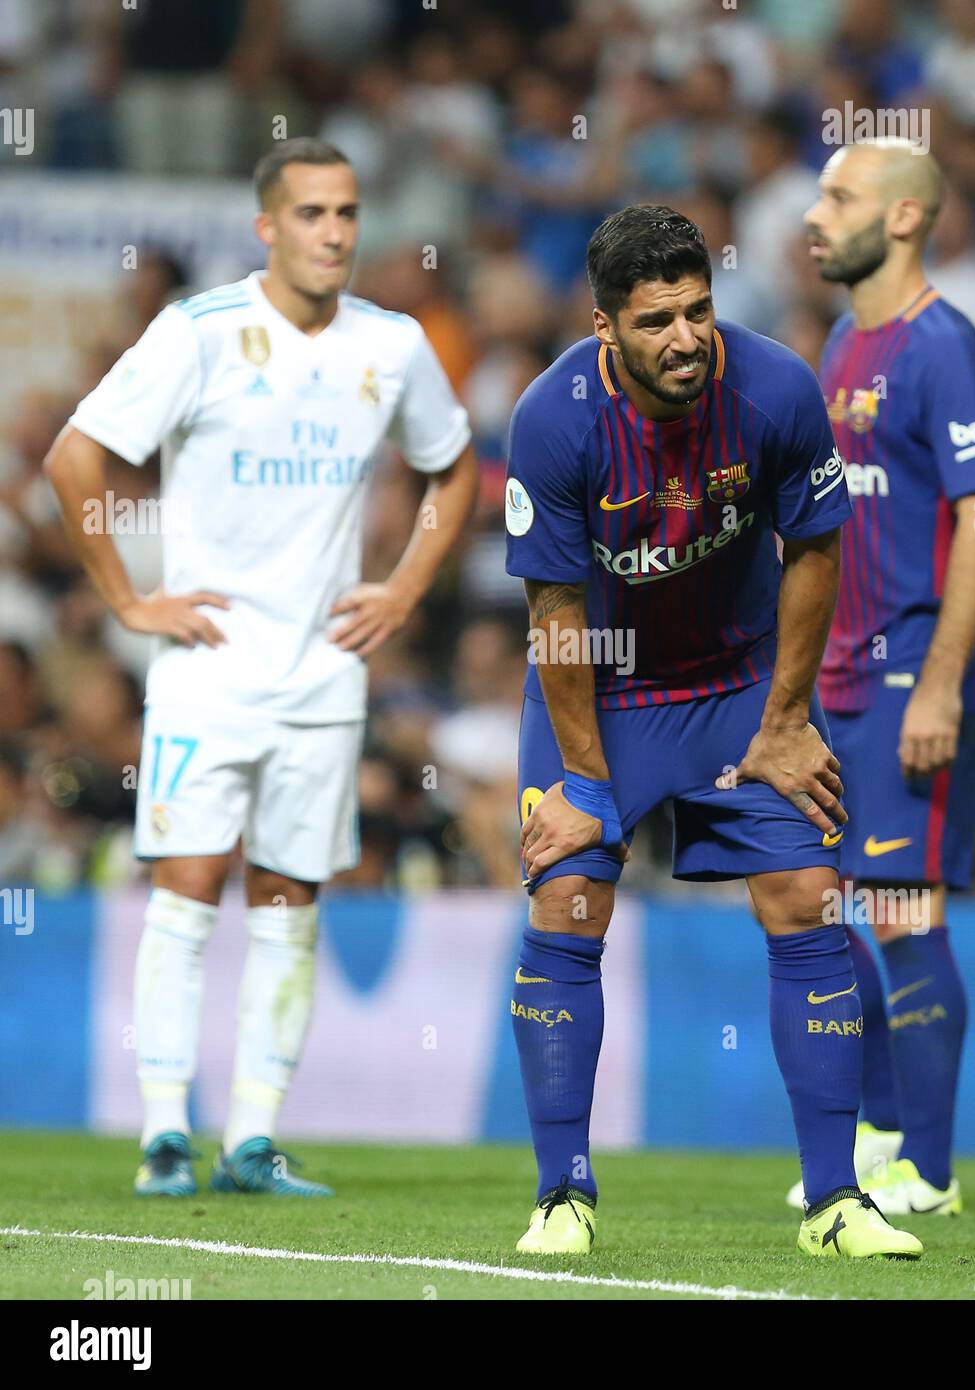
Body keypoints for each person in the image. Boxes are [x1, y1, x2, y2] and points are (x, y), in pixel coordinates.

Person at [44, 138, 477, 1197]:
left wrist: (407, 587)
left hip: (325, 676)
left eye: (347, 213)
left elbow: (455, 466)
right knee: (187, 886)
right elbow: (73, 454)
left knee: (289, 901)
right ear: (266, 227)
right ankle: (161, 1131)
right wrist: (128, 600)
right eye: (313, 213)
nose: (335, 232)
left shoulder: (393, 344)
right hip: (207, 667)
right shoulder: (200, 332)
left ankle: (250, 1138)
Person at [505, 204, 923, 1260]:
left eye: (697, 311)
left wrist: (785, 719)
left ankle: (836, 1203)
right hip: (601, 689)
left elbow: (817, 552)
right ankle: (564, 1194)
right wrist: (585, 784)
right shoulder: (551, 422)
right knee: (566, 900)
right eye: (655, 322)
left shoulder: (776, 388)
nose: (686, 338)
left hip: (743, 681)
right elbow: (554, 614)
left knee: (805, 896)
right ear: (606, 328)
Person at [794, 138, 975, 1217]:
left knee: (901, 910)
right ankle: (880, 1127)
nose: (815, 212)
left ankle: (929, 1168)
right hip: (835, 679)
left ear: (909, 218)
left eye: (840, 195)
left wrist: (936, 682)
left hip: (914, 675)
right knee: (814, 908)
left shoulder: (946, 350)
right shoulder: (841, 340)